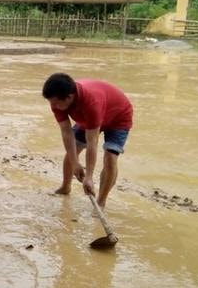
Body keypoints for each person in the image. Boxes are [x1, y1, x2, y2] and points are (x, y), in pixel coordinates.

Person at [42, 72, 133, 209]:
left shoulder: (91, 102)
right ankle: (65, 187)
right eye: (51, 102)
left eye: (56, 103)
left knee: (110, 157)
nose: (53, 106)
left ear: (69, 97)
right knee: (73, 151)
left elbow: (92, 142)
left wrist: (88, 176)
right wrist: (75, 163)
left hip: (118, 118)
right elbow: (67, 133)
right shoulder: (57, 102)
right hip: (88, 118)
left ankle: (101, 201)